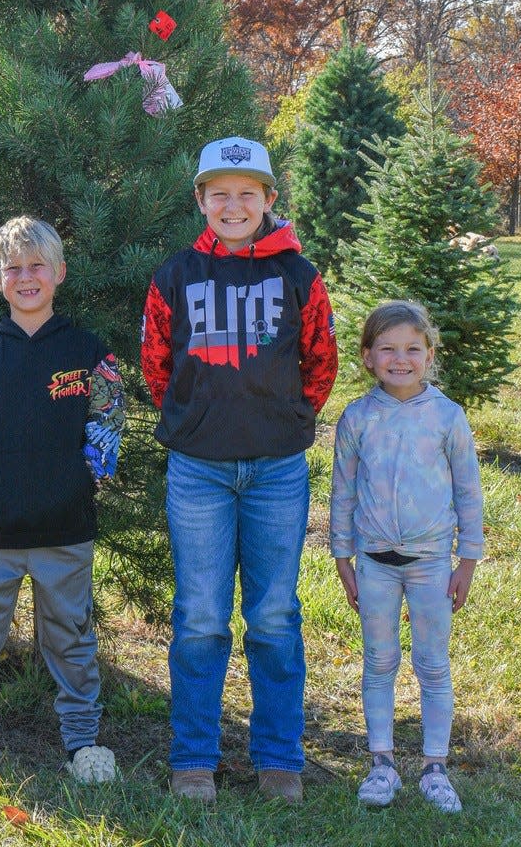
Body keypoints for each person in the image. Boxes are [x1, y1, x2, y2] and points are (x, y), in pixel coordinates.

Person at [141, 136, 338, 805]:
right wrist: (199, 424)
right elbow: (156, 368)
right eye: (218, 193)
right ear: (200, 200)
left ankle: (279, 756)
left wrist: (282, 423)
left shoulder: (300, 277)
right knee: (199, 615)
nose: (233, 205)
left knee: (275, 614)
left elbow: (320, 364)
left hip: (277, 471)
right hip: (199, 471)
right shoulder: (175, 277)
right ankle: (194, 755)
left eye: (246, 193)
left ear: (268, 200)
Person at [0, 215, 125, 793]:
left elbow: (108, 417)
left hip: (66, 525)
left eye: (37, 265)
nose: (26, 276)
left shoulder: (88, 352)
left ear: (59, 273)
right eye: (13, 267)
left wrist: (85, 476)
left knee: (71, 636)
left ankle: (84, 744)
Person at [329, 299, 484, 815]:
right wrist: (342, 556)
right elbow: (343, 494)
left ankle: (435, 768)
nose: (400, 359)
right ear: (368, 356)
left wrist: (468, 559)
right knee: (379, 662)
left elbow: (468, 491)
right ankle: (381, 764)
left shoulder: (447, 417)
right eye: (387, 349)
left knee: (433, 665)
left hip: (432, 565)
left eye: (412, 349)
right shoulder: (357, 419)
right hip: (374, 563)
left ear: (429, 355)